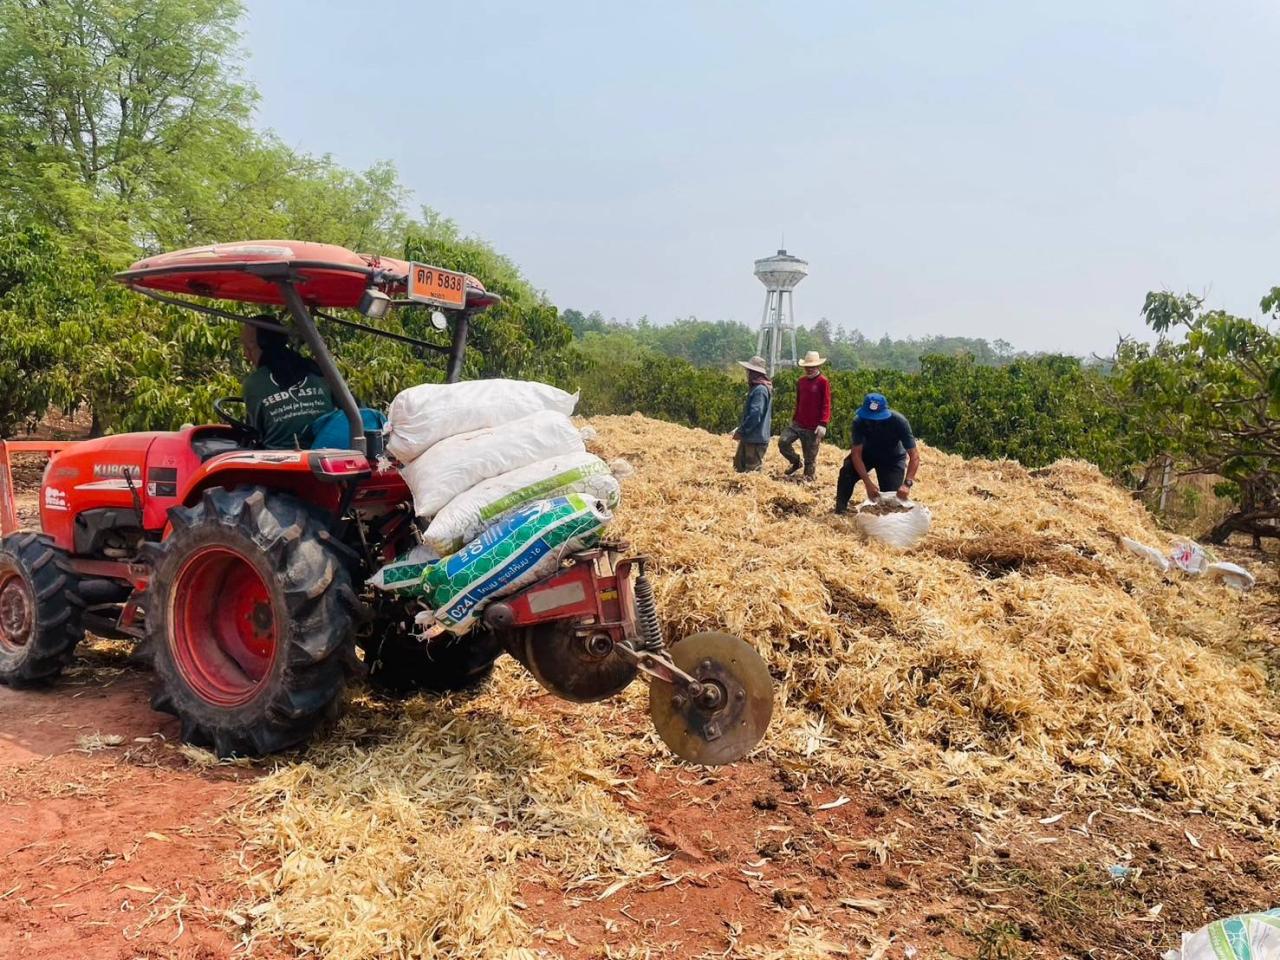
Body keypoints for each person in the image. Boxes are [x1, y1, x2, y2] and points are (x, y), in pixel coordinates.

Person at [240, 321, 336, 449]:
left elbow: (255, 433)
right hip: (328, 450)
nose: (246, 355)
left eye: (246, 346)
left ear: (255, 345)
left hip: (278, 458)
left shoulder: (254, 383)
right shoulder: (317, 369)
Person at [835, 392, 920, 513]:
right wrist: (867, 482)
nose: (874, 422)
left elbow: (914, 456)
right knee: (847, 471)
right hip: (867, 454)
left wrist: (907, 483)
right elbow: (856, 454)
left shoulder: (900, 422)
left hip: (892, 459)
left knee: (891, 499)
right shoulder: (859, 422)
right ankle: (840, 510)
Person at [778, 350, 831, 480]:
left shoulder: (823, 382)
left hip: (813, 426)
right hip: (798, 422)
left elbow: (826, 403)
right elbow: (799, 401)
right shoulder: (801, 381)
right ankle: (796, 461)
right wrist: (794, 417)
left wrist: (823, 423)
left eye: (812, 367)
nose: (809, 370)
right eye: (807, 367)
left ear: (818, 367)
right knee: (783, 442)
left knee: (810, 458)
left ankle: (808, 480)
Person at [732, 355, 773, 473]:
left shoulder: (760, 390)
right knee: (739, 467)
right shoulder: (759, 388)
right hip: (751, 437)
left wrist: (742, 431)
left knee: (751, 471)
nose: (747, 374)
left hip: (755, 438)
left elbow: (755, 414)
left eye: (749, 372)